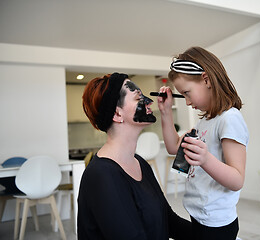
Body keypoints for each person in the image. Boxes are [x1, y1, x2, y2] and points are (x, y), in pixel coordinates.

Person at [78, 72, 191, 240]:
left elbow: (170, 222)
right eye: (139, 98)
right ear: (117, 114)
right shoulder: (101, 175)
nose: (149, 101)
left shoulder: (140, 163)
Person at [158, 46, 249, 240]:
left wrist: (205, 159)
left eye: (187, 93)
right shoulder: (205, 121)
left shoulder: (229, 119)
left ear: (206, 80)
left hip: (217, 222)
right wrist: (165, 113)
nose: (188, 102)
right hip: (200, 214)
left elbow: (237, 179)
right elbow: (174, 146)